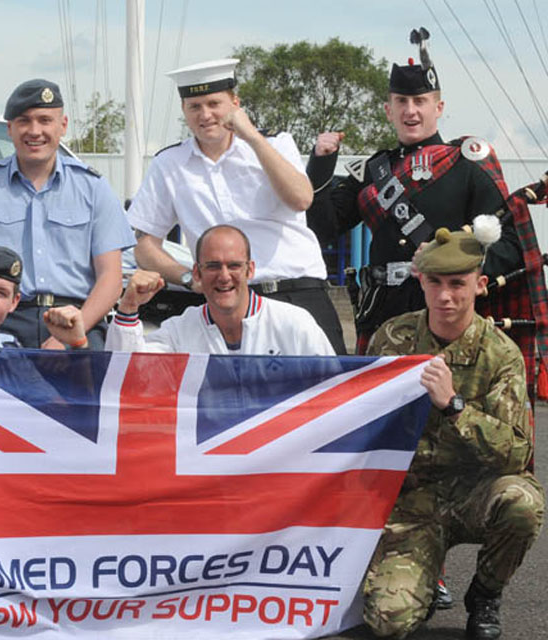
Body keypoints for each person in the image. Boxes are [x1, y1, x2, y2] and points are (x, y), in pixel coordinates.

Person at [364, 226, 544, 640]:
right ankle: (422, 584)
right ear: (421, 281)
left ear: (480, 285)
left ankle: (485, 593)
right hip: (410, 500)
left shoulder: (501, 353)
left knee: (521, 503)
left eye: (458, 284)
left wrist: (454, 406)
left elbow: (517, 452)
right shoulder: (394, 339)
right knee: (387, 623)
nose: (446, 296)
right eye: (436, 283)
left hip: (473, 492)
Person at [306, 28, 530, 358]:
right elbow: (322, 229)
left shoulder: (465, 164)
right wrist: (321, 165)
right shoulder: (372, 170)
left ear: (438, 107)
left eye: (420, 101)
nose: (411, 111)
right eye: (402, 102)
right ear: (388, 110)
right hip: (382, 314)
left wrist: (450, 256)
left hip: (446, 312)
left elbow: (511, 247)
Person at [124, 57, 346, 355]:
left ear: (235, 104)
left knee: (326, 393)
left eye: (214, 103)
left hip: (297, 290)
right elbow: (144, 244)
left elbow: (301, 198)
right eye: (195, 106)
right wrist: (190, 278)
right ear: (184, 111)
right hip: (227, 300)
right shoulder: (169, 164)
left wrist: (253, 138)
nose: (205, 115)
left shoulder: (275, 144)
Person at [0, 78, 135, 349]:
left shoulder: (93, 188)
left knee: (91, 389)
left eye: (44, 120)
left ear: (62, 126)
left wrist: (69, 335)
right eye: (24, 121)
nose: (34, 131)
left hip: (76, 320)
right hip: (2, 322)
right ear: (10, 129)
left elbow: (110, 279)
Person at [58, 225, 333, 355]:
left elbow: (331, 392)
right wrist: (128, 308)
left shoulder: (294, 324)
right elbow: (128, 372)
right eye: (213, 266)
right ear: (197, 273)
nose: (224, 277)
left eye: (233, 266)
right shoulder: (181, 329)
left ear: (250, 270)